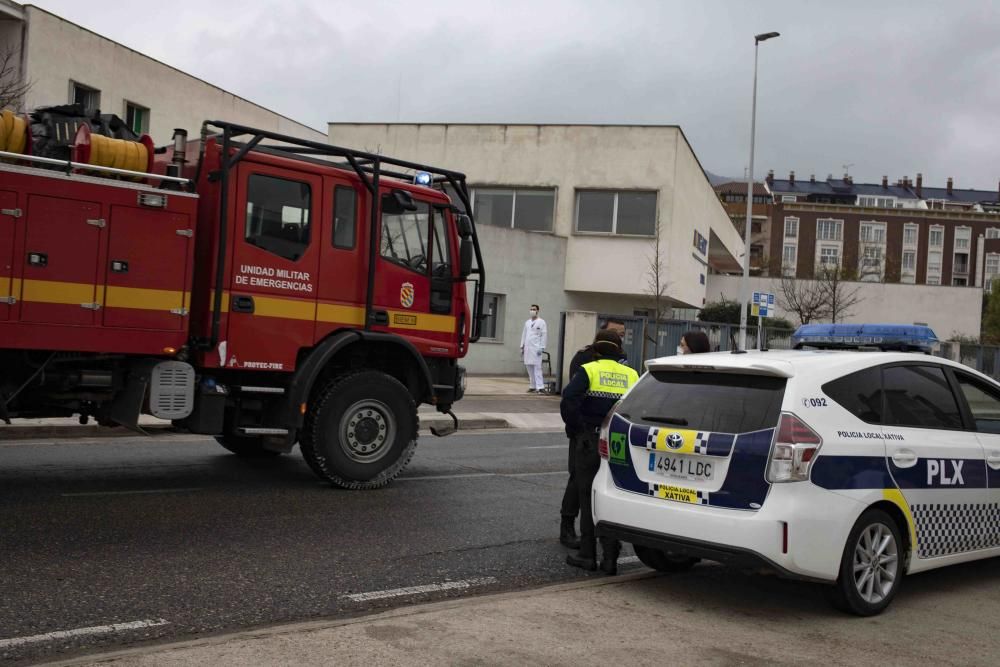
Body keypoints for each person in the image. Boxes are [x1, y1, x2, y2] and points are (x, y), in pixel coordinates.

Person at [560, 329, 639, 575]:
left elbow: (568, 399)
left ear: (596, 350)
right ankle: (610, 559)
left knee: (587, 496)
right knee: (612, 497)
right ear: (619, 352)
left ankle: (587, 555)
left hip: (591, 439)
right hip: (617, 443)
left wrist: (577, 428)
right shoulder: (632, 374)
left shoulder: (589, 370)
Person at [520, 304, 547, 393]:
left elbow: (544, 335)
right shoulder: (527, 322)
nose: (532, 311)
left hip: (536, 349)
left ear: (538, 311)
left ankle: (540, 387)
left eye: (534, 309)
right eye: (531, 309)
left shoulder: (541, 322)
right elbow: (524, 334)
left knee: (537, 368)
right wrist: (522, 346)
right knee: (529, 367)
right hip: (527, 348)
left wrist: (542, 347)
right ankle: (532, 386)